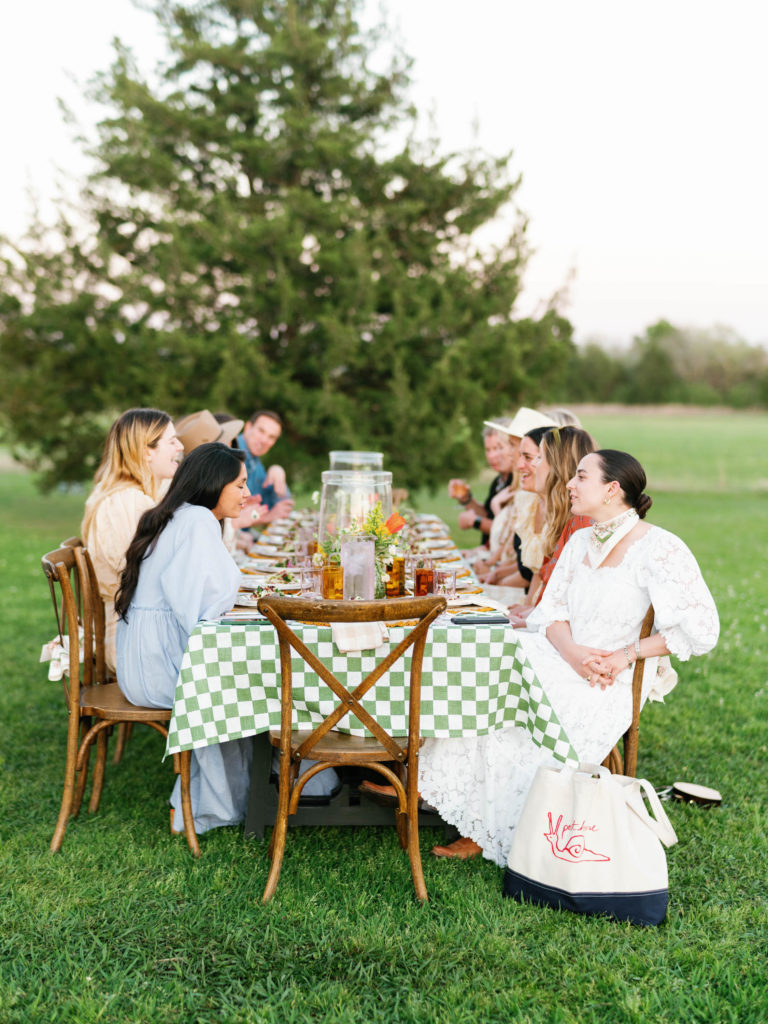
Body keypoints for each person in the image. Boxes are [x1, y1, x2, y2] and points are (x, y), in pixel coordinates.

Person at [423, 449, 720, 863]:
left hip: (607, 678)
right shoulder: (580, 539)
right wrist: (573, 653)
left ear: (612, 489)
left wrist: (625, 656)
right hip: (562, 655)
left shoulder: (661, 548)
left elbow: (700, 630)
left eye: (582, 477)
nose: (570, 484)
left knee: (509, 696)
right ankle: (441, 789)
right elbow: (550, 614)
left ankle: (485, 826)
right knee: (482, 666)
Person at [115, 442, 252, 836]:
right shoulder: (195, 522)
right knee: (262, 678)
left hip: (145, 659)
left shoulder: (182, 515)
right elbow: (199, 611)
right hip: (159, 671)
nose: (246, 494)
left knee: (252, 675)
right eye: (240, 485)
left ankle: (262, 785)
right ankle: (279, 787)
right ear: (214, 483)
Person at [82, 408, 184, 673]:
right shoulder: (126, 503)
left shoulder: (140, 495)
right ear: (147, 451)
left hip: (142, 629)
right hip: (132, 643)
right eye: (172, 441)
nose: (181, 446)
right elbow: (142, 575)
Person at [507, 425, 595, 624]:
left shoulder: (583, 522)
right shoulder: (561, 515)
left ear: (557, 466)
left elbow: (577, 602)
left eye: (539, 458)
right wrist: (531, 608)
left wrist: (533, 617)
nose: (532, 465)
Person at [236, 410, 294, 522]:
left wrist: (277, 470)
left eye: (271, 437)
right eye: (261, 431)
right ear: (248, 427)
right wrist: (267, 517)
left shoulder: (255, 462)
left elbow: (282, 508)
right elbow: (228, 515)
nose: (264, 440)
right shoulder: (231, 453)